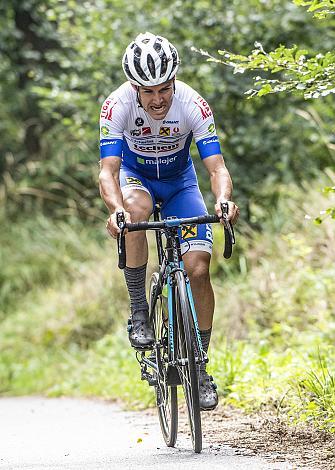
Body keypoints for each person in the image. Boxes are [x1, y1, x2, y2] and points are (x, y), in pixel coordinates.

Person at [99, 32, 239, 411]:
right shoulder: (116, 106)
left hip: (180, 184)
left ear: (174, 81)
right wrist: (116, 211)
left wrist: (224, 200)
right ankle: (139, 310)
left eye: (164, 89)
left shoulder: (194, 104)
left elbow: (216, 167)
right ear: (134, 88)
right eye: (148, 92)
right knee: (135, 211)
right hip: (136, 179)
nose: (158, 99)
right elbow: (108, 171)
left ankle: (198, 365)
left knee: (198, 268)